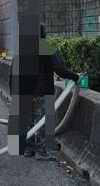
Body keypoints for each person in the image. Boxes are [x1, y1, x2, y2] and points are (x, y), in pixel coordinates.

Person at [10, 19, 81, 159]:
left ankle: (28, 149)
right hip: (41, 92)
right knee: (41, 122)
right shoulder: (46, 47)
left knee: (28, 121)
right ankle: (41, 152)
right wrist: (75, 77)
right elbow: (60, 69)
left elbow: (13, 73)